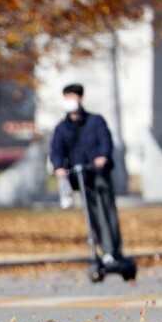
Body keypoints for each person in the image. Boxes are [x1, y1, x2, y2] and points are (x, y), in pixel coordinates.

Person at [50, 82, 123, 265]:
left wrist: (102, 157)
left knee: (106, 209)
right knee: (92, 214)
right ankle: (102, 249)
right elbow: (57, 150)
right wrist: (59, 167)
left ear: (80, 98)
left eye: (73, 97)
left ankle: (114, 249)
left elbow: (106, 141)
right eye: (67, 98)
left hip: (98, 173)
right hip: (81, 177)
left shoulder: (95, 121)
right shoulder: (62, 128)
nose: (70, 101)